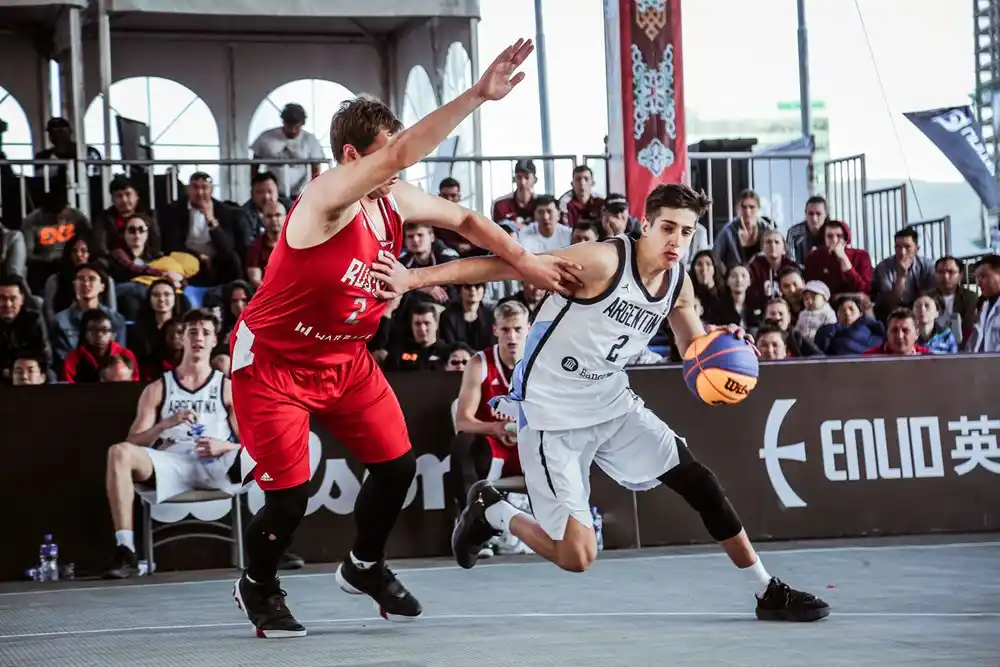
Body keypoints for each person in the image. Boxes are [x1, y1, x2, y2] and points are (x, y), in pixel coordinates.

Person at [229, 38, 580, 638]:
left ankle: (364, 566)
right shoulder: (324, 198)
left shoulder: (390, 198)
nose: (399, 169)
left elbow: (466, 220)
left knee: (397, 468)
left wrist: (529, 263)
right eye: (388, 155)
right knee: (290, 497)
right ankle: (257, 585)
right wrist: (477, 95)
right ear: (351, 156)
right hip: (274, 365)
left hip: (346, 360)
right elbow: (399, 156)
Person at [371, 183, 831, 623]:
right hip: (551, 414)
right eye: (668, 227)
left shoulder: (678, 283)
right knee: (577, 556)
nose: (676, 240)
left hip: (611, 401)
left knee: (698, 480)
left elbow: (694, 349)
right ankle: (492, 508)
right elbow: (508, 265)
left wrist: (719, 346)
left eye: (687, 232)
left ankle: (765, 588)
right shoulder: (601, 262)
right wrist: (415, 278)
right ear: (646, 225)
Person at [103, 309, 241, 578]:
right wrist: (163, 425)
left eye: (205, 333)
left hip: (217, 463)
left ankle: (275, 543)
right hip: (172, 463)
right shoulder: (159, 388)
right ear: (181, 338)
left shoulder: (227, 387)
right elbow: (132, 442)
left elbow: (253, 444)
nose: (198, 338)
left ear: (215, 340)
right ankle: (126, 550)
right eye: (192, 332)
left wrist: (224, 446)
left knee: (270, 454)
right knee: (119, 453)